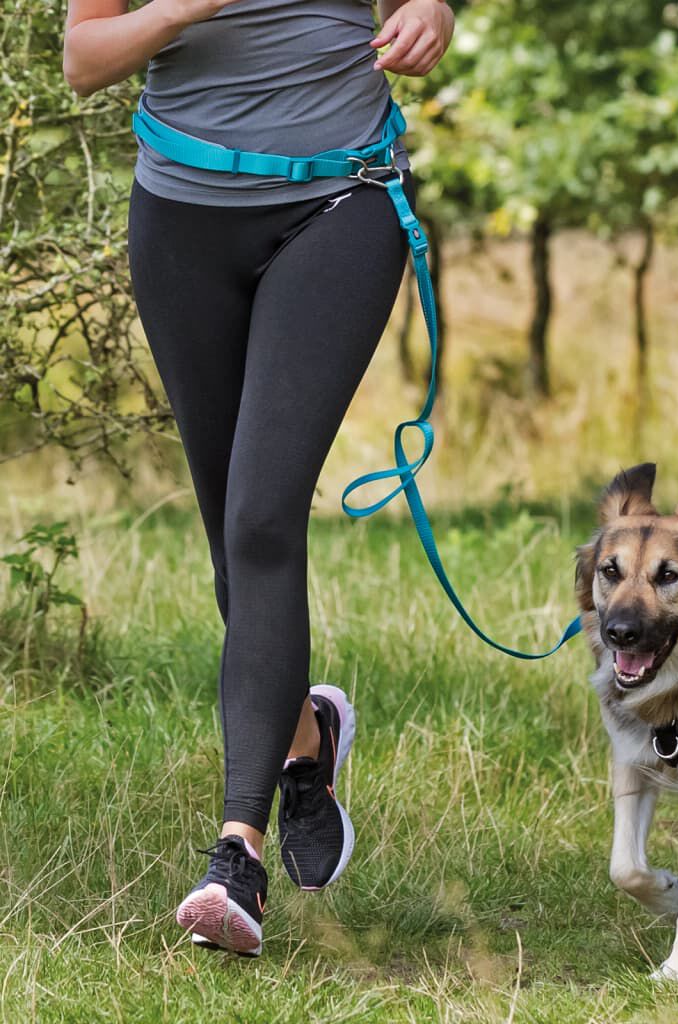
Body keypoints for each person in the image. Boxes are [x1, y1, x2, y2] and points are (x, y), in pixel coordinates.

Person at [63, 0, 455, 957]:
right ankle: (306, 738)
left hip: (343, 197)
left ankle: (235, 853)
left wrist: (429, 10)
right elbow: (83, 58)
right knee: (227, 528)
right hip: (183, 219)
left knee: (264, 516)